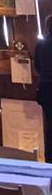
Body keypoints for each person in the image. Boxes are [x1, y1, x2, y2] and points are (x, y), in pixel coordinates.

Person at [34, 14, 52, 162]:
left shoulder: (41, 44)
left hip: (46, 88)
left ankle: (49, 160)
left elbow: (37, 66)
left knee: (49, 126)